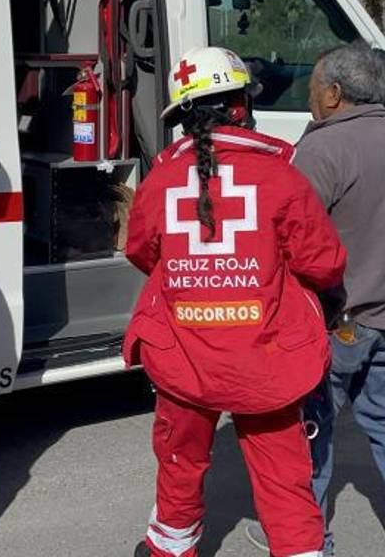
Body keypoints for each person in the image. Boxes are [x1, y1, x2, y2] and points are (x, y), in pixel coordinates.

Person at [125, 46, 347, 557]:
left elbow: (142, 252)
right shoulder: (280, 175)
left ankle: (169, 551)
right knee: (284, 479)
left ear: (182, 118)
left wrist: (197, 280)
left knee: (179, 465)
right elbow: (325, 262)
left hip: (183, 356)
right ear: (242, 106)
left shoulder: (159, 180)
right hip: (265, 359)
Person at [247, 42, 385, 557]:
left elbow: (287, 241)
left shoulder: (324, 151)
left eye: (312, 89)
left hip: (335, 321)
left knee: (312, 429)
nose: (309, 100)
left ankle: (306, 541)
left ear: (335, 92)